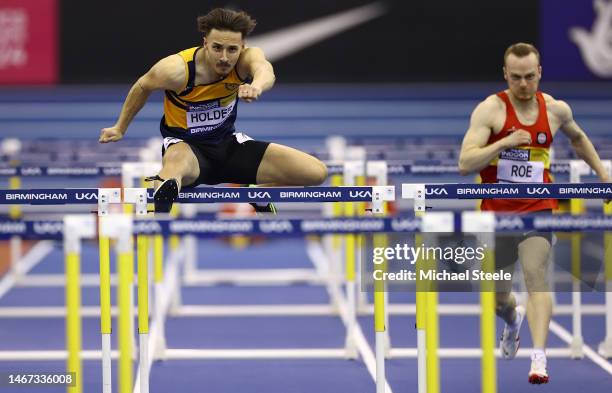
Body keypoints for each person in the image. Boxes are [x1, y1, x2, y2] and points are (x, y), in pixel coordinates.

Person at [458, 42, 610, 384]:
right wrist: (502, 144)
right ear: (505, 75)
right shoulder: (490, 110)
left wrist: (603, 176)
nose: (524, 84)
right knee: (499, 299)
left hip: (537, 209)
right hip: (495, 215)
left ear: (539, 72)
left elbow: (579, 139)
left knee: (535, 274)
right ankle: (512, 322)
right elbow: (465, 163)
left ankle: (539, 358)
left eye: (530, 76)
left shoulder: (555, 110)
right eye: (516, 78)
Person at [99, 8, 328, 212]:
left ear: (243, 47)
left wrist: (255, 86)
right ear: (205, 43)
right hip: (189, 151)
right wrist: (120, 127)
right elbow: (142, 86)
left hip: (229, 147)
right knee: (175, 164)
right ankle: (164, 190)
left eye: (232, 49)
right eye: (217, 48)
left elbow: (265, 70)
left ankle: (257, 192)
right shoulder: (177, 69)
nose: (225, 57)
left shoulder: (246, 59)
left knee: (316, 172)